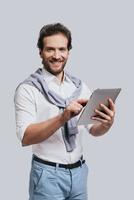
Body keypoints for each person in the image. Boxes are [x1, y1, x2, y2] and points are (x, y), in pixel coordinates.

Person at [14, 23, 115, 200]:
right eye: (50, 49)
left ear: (68, 52)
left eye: (62, 49)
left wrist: (107, 123)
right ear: (40, 52)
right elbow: (26, 137)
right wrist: (63, 117)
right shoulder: (28, 89)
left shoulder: (79, 87)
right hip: (47, 176)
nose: (57, 56)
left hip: (79, 173)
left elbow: (93, 129)